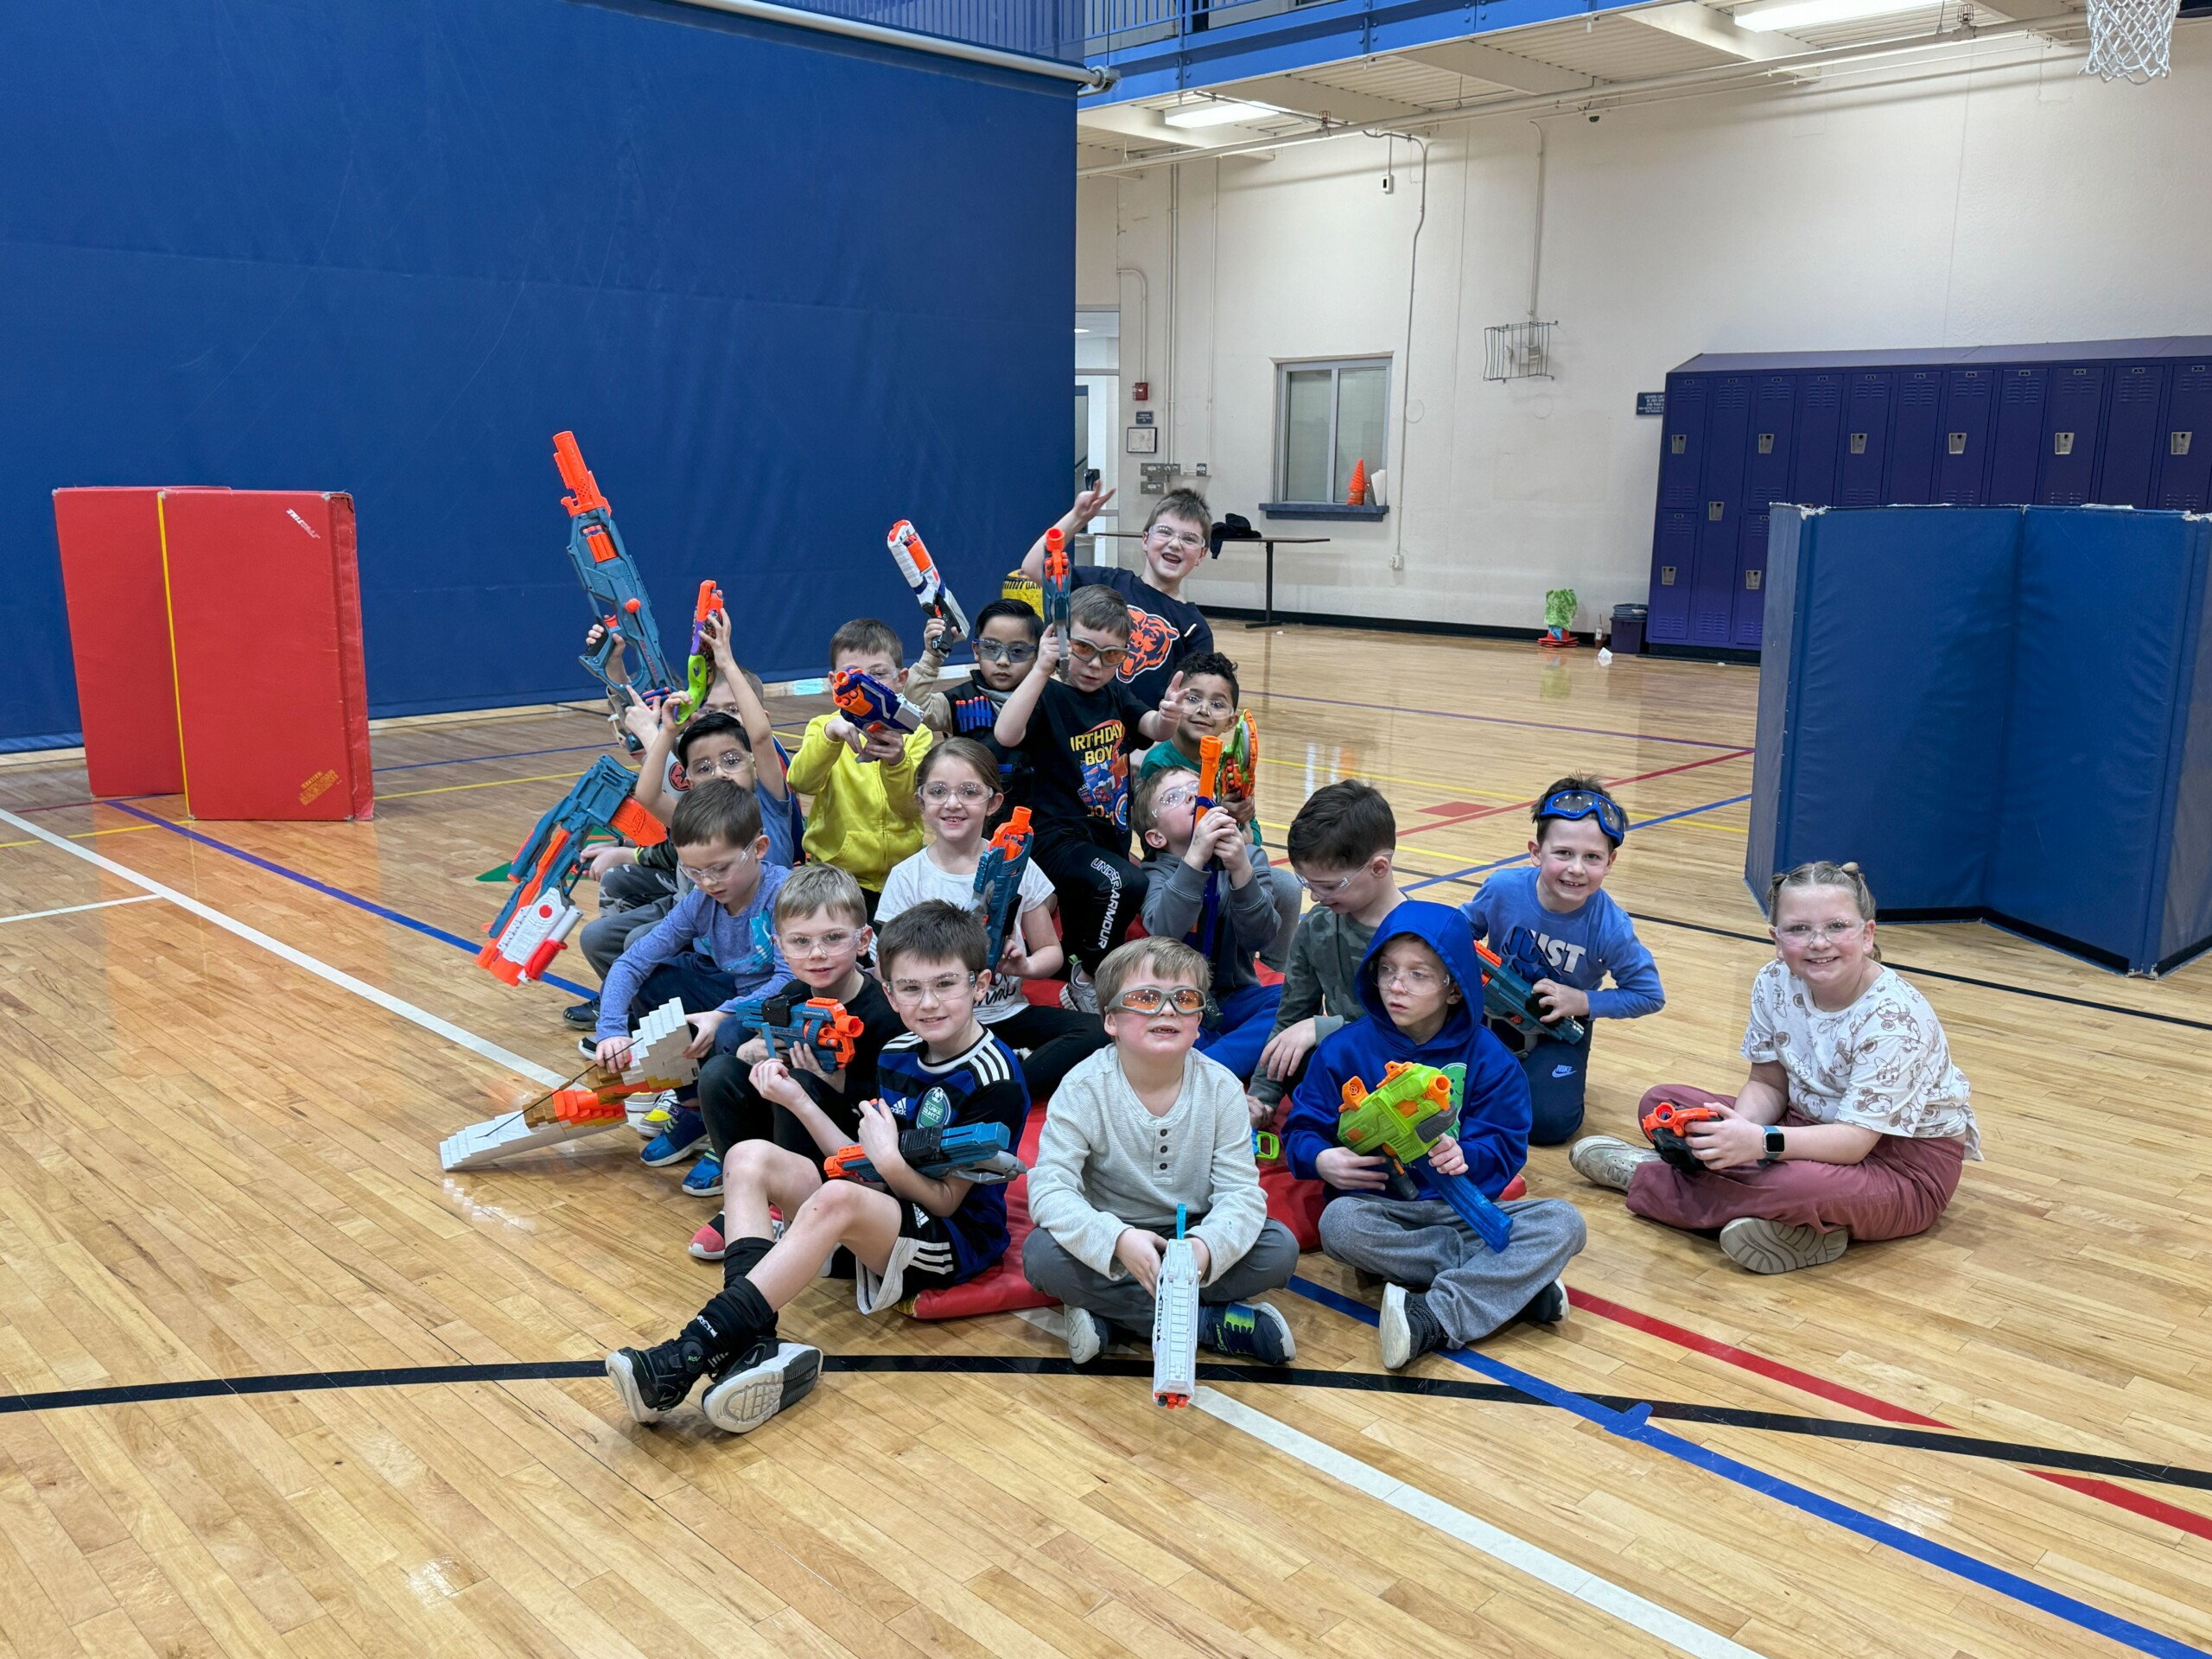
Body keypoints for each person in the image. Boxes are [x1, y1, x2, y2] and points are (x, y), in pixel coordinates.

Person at [605, 902, 1031, 1434]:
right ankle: (755, 1346)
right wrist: (797, 1102)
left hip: (948, 1238)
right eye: (911, 989)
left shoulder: (994, 1076)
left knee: (836, 1199)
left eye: (945, 985)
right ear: (890, 993)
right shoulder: (897, 1050)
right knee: (747, 1156)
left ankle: (688, 1353)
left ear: (980, 983)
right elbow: (857, 1159)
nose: (929, 1003)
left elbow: (943, 1201)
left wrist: (889, 1160)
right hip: (883, 1204)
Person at [1569, 860, 1979, 1274]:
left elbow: (1856, 1143)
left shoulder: (1895, 1020)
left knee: (1796, 1186)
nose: (1819, 942)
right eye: (1799, 929)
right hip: (1804, 1125)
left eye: (1837, 926)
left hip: (1896, 1167)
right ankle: (1795, 1230)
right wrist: (1733, 1136)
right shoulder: (1774, 979)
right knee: (1662, 1104)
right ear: (1777, 941)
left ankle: (1650, 1178)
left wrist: (1758, 1143)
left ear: (1868, 934)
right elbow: (1767, 1082)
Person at [1284, 902, 1587, 1370]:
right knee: (1339, 1225)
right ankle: (1509, 1282)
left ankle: (1435, 1316)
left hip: (1463, 1210)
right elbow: (1302, 1128)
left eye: (1418, 975)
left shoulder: (1490, 1058)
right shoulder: (1343, 1049)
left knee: (1565, 1222)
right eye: (1386, 970)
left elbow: (1507, 1145)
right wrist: (1323, 1160)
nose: (1396, 986)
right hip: (1382, 1213)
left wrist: (1467, 1155)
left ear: (1453, 989)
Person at [1023, 937, 1300, 1367]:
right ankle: (1208, 1325)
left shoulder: (1223, 1087)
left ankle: (1113, 1315)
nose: (1167, 1009)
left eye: (1185, 999)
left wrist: (1204, 1248)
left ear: (1197, 1019)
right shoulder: (1082, 1087)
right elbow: (1048, 1188)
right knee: (1041, 1256)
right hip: (1117, 1239)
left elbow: (1241, 1194)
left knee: (1278, 1249)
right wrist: (1116, 1240)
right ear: (1111, 1020)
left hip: (1194, 1238)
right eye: (1146, 998)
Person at [565, 612, 801, 1031]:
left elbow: (760, 737)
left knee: (646, 946)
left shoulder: (768, 796)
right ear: (688, 775)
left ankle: (687, 1024)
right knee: (612, 943)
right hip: (713, 945)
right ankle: (642, 1022)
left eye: (731, 760)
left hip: (770, 970)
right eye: (704, 767)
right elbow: (649, 795)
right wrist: (667, 734)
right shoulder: (695, 810)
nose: (721, 771)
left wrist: (726, 659)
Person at [875, 737, 1109, 1101]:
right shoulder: (908, 877)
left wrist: (1024, 966)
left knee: (1097, 1032)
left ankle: (997, 1084)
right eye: (938, 791)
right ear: (921, 802)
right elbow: (884, 969)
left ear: (993, 802)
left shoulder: (1019, 864)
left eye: (969, 792)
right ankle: (991, 1076)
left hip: (1004, 1014)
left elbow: (1051, 952)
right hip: (937, 1019)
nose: (953, 803)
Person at [994, 586, 1182, 1009]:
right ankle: (1090, 976)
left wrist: (1167, 716)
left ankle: (1075, 968)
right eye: (1084, 649)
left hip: (1105, 834)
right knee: (1124, 882)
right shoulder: (1046, 693)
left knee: (1093, 911)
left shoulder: (1113, 694)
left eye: (1111, 656)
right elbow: (1006, 734)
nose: (1096, 665)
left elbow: (1151, 726)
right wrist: (1042, 667)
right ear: (1061, 640)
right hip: (1056, 835)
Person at [590, 782, 791, 1168]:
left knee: (733, 1028)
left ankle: (737, 1132)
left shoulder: (785, 894)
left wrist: (724, 1013)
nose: (708, 883)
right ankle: (695, 1109)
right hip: (736, 993)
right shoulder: (701, 900)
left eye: (719, 869)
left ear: (759, 849)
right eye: (694, 872)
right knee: (655, 981)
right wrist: (612, 1028)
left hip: (786, 1007)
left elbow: (790, 980)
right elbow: (632, 962)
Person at [1459, 776, 1663, 1145]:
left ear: (1610, 861)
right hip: (1488, 1015)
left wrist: (1582, 1001)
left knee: (1549, 1126)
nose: (1577, 869)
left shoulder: (1611, 926)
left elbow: (1649, 995)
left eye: (1592, 858)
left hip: (1558, 1025)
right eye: (1563, 853)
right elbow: (1459, 932)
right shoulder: (1503, 888)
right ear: (1536, 852)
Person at [1246, 781, 1408, 1128]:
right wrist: (1261, 1098)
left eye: (1331, 886)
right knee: (1294, 1054)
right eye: (1307, 883)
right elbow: (1291, 1018)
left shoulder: (1419, 936)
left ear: (1379, 867)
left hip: (1408, 1073)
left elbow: (1413, 1032)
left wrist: (1323, 1028)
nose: (1316, 897)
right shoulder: (1317, 927)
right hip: (1345, 1066)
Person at [1133, 649, 1300, 969]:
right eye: (1193, 698)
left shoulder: (1229, 762)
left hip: (1226, 861)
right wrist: (1216, 817)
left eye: (1217, 704)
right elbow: (1160, 835)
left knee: (1287, 887)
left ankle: (1275, 971)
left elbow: (1254, 841)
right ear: (1174, 704)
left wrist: (1242, 819)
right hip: (1180, 866)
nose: (1203, 710)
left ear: (1231, 721)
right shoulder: (1159, 764)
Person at [1131, 767, 1281, 1084]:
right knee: (1143, 1027)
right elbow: (1164, 931)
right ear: (1157, 837)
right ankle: (1229, 1062)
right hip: (1176, 1003)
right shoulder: (1154, 874)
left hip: (1232, 998)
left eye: (1196, 787)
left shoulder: (1250, 856)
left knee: (1293, 1000)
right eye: (1173, 797)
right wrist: (1194, 861)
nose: (1190, 795)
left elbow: (1262, 936)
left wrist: (1241, 869)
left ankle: (1207, 1067)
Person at [785, 618, 934, 921]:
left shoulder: (917, 735)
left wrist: (897, 763)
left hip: (902, 876)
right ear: (833, 681)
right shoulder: (822, 727)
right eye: (852, 675)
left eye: (878, 674)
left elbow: (910, 808)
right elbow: (801, 781)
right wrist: (829, 736)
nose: (865, 685)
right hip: (837, 875)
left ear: (901, 677)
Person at [1019, 486, 1216, 709]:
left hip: (1144, 734)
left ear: (1201, 554)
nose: (1175, 543)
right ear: (1145, 539)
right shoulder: (1106, 582)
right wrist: (1077, 517)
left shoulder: (1194, 628)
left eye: (1189, 539)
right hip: (1078, 721)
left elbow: (1192, 698)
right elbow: (1033, 567)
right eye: (1165, 532)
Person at [917, 598, 1042, 828]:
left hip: (1039, 824)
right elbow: (915, 710)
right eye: (991, 648)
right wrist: (932, 658)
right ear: (976, 650)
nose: (1003, 661)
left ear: (1036, 654)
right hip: (973, 825)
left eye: (1017, 651)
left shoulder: (1049, 698)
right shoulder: (957, 700)